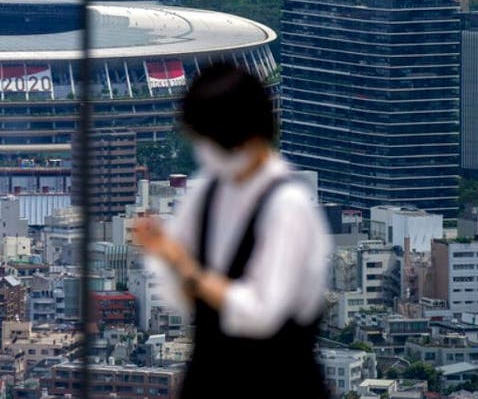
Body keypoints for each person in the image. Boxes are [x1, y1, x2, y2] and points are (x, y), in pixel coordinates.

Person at [133, 61, 331, 398]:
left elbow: (262, 313)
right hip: (209, 376)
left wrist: (181, 264)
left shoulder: (288, 205)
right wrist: (165, 255)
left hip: (278, 381)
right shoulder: (207, 192)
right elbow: (174, 295)